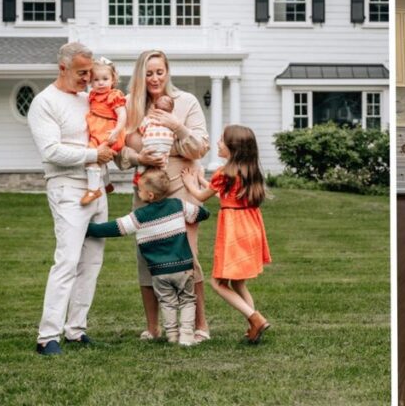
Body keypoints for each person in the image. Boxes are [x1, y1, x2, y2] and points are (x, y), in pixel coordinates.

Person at [116, 50, 212, 342]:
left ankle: (200, 326)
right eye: (149, 73)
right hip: (146, 189)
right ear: (140, 75)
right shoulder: (129, 105)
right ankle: (153, 327)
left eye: (160, 71)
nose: (155, 78)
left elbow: (199, 147)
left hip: (182, 185)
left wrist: (176, 128)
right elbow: (119, 151)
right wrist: (137, 156)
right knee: (148, 256)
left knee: (188, 256)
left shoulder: (186, 102)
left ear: (167, 72)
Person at [28, 42, 116, 356]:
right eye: (81, 73)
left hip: (97, 188)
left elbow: (104, 133)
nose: (87, 78)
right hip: (67, 189)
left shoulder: (88, 99)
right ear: (62, 68)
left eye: (90, 73)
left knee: (91, 262)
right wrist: (94, 154)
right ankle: (46, 337)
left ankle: (76, 331)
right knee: (66, 260)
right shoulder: (44, 103)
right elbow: (51, 152)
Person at [86, 169, 210, 346]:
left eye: (140, 189)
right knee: (188, 300)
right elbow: (201, 214)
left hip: (159, 272)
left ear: (150, 195)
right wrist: (204, 212)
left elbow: (114, 228)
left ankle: (172, 334)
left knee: (167, 302)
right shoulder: (178, 205)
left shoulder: (139, 217)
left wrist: (88, 229)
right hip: (183, 267)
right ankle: (187, 335)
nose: (138, 192)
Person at [181, 125, 272, 343]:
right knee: (239, 283)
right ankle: (253, 328)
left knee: (218, 283)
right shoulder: (248, 171)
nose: (218, 144)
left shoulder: (224, 172)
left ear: (233, 148)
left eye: (222, 141)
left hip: (235, 230)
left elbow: (202, 196)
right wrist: (204, 181)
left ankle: (256, 318)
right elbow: (223, 191)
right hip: (250, 227)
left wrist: (189, 183)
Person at [81, 57, 127, 206]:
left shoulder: (113, 95)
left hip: (109, 134)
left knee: (92, 159)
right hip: (96, 133)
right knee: (96, 157)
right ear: (90, 81)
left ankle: (93, 189)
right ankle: (106, 184)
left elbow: (122, 115)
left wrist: (117, 130)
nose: (100, 83)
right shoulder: (93, 96)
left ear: (113, 80)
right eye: (96, 80)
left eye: (105, 79)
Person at [134, 95, 176, 182]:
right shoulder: (172, 119)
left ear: (155, 107)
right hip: (165, 146)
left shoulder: (149, 118)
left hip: (150, 145)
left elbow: (141, 129)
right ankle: (163, 176)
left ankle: (139, 175)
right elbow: (176, 130)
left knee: (145, 161)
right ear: (171, 110)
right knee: (163, 163)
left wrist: (144, 133)